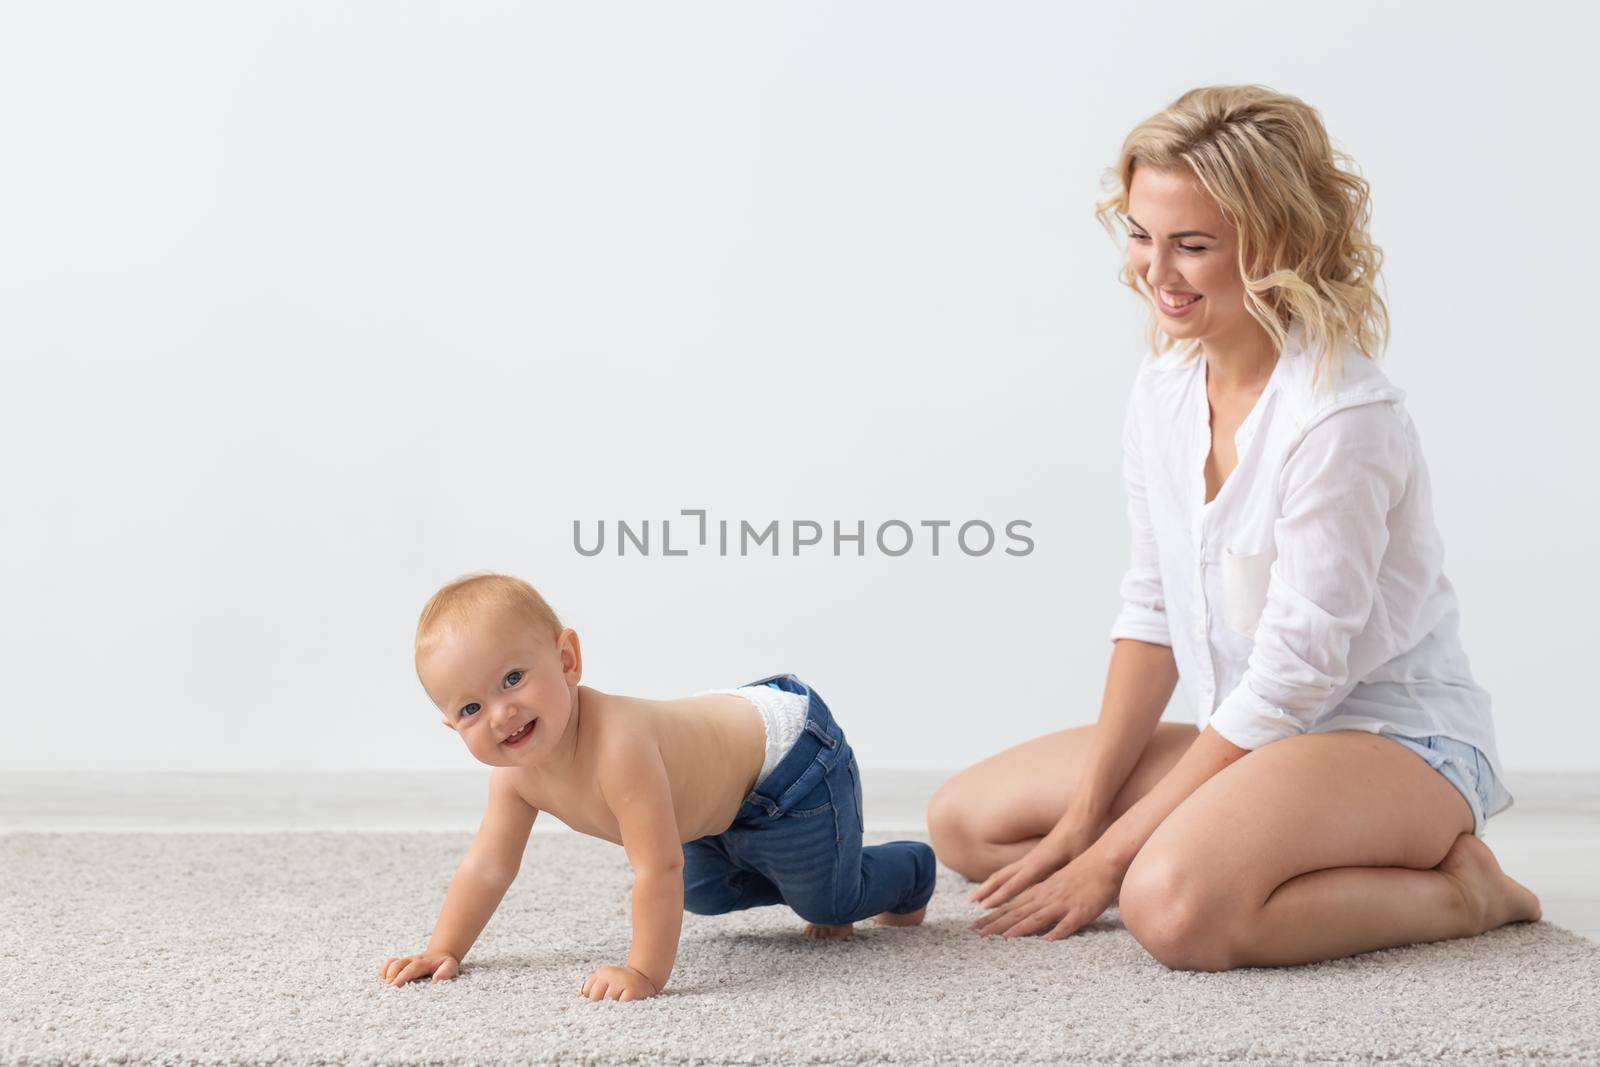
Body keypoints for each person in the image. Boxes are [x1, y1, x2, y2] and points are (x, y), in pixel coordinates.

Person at [926, 84, 1541, 971]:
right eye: (1141, 235)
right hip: (1255, 736)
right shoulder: (1165, 386)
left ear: (1273, 244)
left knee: (1170, 909)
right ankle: (1229, 845)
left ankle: (1465, 890)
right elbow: (1150, 607)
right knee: (968, 824)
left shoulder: (1340, 419)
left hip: (1389, 738)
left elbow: (1296, 679)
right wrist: (1086, 817)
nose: (1155, 271)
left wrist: (1110, 859)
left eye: (1193, 246)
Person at [379, 572, 935, 1001]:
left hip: (787, 760)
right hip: (715, 793)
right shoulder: (513, 779)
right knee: (701, 893)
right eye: (472, 708)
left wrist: (644, 971)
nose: (502, 714)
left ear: (567, 659)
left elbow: (656, 868)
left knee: (829, 903)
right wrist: (442, 948)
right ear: (454, 728)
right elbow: (487, 866)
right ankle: (788, 863)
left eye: (513, 678)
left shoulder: (619, 747)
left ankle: (909, 872)